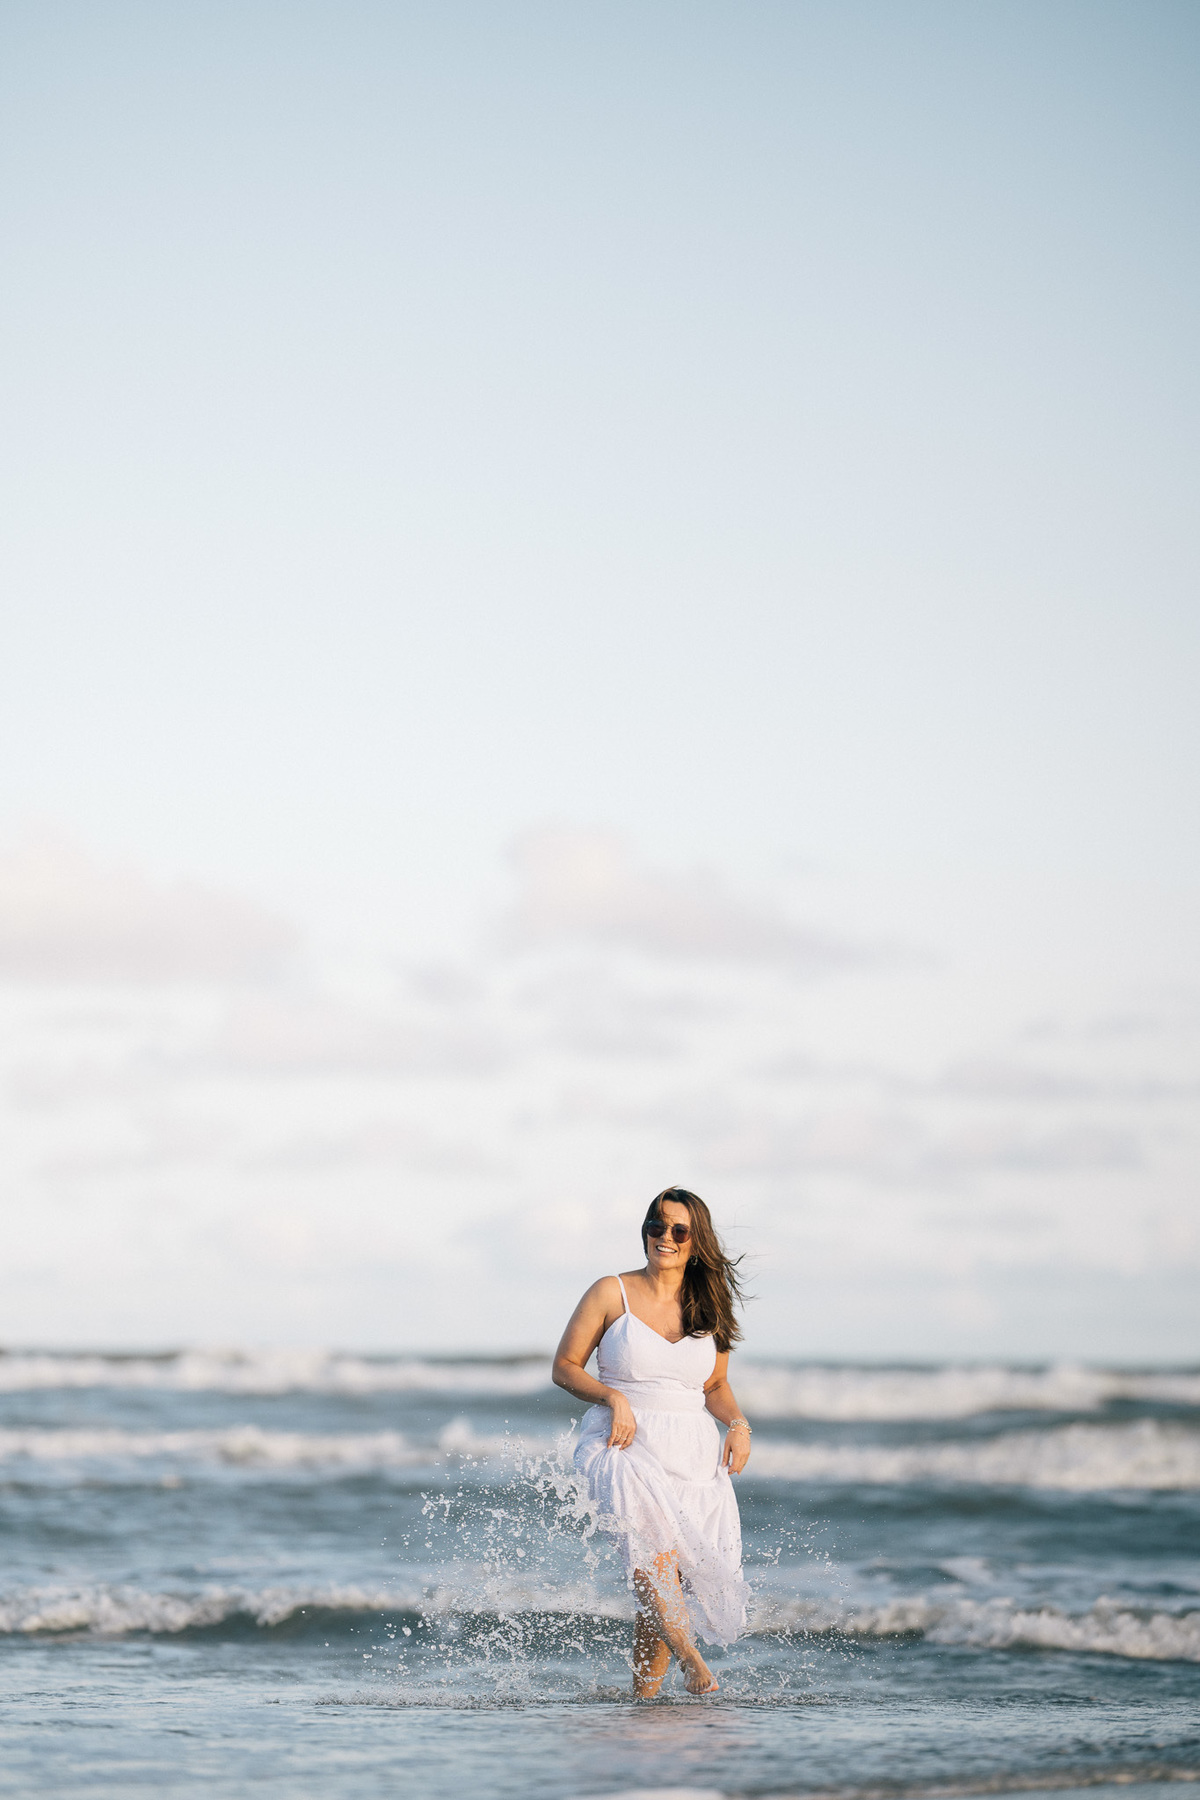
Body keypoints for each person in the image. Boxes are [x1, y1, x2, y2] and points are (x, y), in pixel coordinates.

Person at [552, 1186, 751, 1697]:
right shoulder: (609, 1291)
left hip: (690, 1453)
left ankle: (646, 1703)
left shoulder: (711, 1303)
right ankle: (692, 1661)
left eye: (678, 1230)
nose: (665, 1237)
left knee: (670, 1581)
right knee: (652, 1556)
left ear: (695, 1240)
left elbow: (714, 1386)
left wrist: (738, 1424)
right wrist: (613, 1398)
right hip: (620, 1444)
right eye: (656, 1226)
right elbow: (565, 1368)